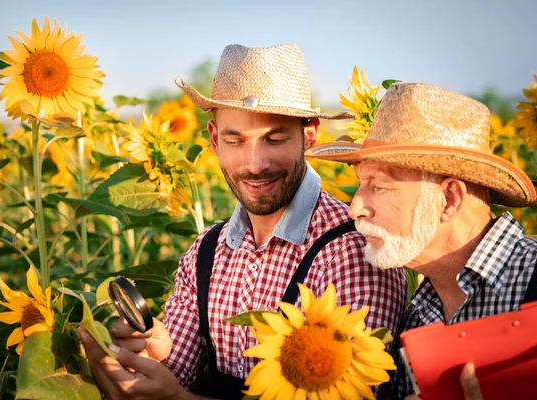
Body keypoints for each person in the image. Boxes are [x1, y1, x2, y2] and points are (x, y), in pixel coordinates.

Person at [79, 44, 407, 400]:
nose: (254, 164)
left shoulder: (356, 252)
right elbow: (173, 376)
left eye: (275, 138)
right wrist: (154, 359)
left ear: (309, 135)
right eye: (235, 141)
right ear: (215, 140)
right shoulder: (205, 252)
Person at [306, 82, 537, 399]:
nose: (355, 208)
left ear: (449, 198)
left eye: (381, 186)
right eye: (362, 184)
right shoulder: (415, 317)